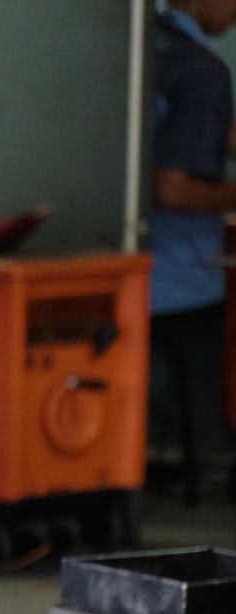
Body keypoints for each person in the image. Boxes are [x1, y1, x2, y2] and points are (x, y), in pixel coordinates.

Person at [146, 0, 236, 500]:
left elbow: (196, 131)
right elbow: (173, 190)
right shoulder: (204, 71)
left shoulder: (147, 47)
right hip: (172, 277)